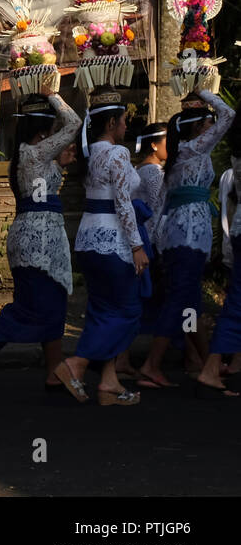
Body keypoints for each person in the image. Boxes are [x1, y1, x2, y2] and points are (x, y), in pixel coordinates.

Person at [0, 87, 80, 389]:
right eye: (52, 129)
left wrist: (60, 165)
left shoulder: (29, 154)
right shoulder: (36, 150)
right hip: (40, 237)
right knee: (33, 305)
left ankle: (53, 371)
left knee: (50, 301)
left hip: (35, 233)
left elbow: (43, 183)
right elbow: (74, 123)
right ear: (44, 129)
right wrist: (54, 94)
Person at [52, 86, 147, 406]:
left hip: (88, 239)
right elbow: (123, 204)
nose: (125, 126)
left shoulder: (90, 153)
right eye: (122, 120)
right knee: (128, 311)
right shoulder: (117, 154)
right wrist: (137, 245)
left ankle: (108, 383)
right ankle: (76, 364)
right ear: (111, 124)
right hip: (113, 241)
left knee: (102, 311)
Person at [140, 91, 235, 387]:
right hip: (189, 234)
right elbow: (229, 116)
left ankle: (206, 362)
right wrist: (207, 89)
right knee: (180, 299)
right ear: (197, 127)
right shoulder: (194, 149)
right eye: (208, 122)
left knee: (190, 301)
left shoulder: (181, 154)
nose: (212, 126)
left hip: (178, 234)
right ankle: (152, 364)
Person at [116, 121, 167, 379]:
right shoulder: (153, 173)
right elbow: (158, 212)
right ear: (154, 145)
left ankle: (126, 357)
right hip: (148, 240)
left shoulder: (144, 170)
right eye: (167, 140)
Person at [196, 139, 241, 396]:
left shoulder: (234, 163)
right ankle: (210, 366)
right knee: (235, 303)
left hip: (236, 233)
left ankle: (228, 362)